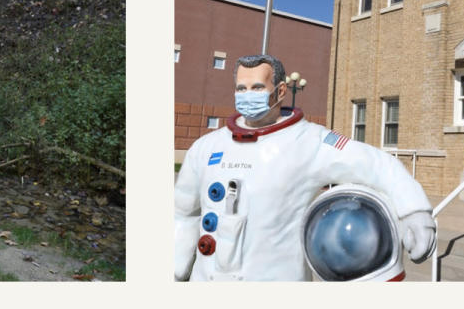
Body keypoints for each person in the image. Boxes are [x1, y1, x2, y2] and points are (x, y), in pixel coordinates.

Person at [174, 54, 436, 281]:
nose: (247, 95)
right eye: (241, 89)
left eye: (256, 87)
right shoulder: (206, 147)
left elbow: (379, 165)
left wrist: (415, 211)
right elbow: (183, 212)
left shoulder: (311, 142)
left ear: (280, 92)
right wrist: (176, 264)